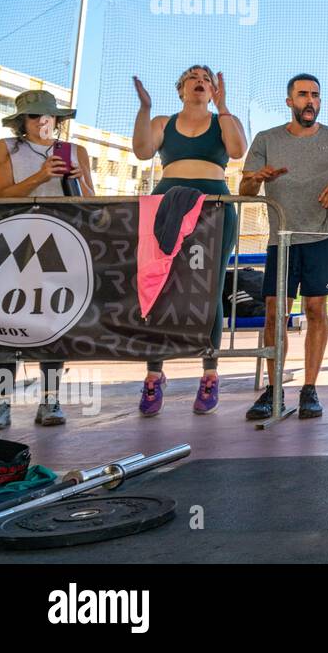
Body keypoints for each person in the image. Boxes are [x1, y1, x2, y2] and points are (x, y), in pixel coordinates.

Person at [238, 73, 328, 420]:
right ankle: (274, 387)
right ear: (289, 101)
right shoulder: (266, 139)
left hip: (321, 236)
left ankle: (309, 389)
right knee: (274, 312)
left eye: (315, 95)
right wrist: (256, 178)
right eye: (303, 95)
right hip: (282, 239)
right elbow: (246, 190)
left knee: (315, 311)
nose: (310, 101)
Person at [132, 66, 247, 415]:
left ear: (213, 90)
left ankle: (210, 373)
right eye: (193, 77)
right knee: (159, 286)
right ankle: (154, 374)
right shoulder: (164, 122)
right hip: (167, 202)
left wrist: (224, 106)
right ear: (180, 88)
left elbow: (238, 150)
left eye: (207, 79)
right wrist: (145, 109)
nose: (200, 81)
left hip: (214, 205)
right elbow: (141, 152)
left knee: (210, 286)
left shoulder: (224, 119)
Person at [0, 90, 95, 429]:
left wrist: (76, 181)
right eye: (35, 116)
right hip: (13, 244)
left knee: (54, 323)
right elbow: (0, 194)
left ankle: (50, 400)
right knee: (7, 323)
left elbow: (91, 203)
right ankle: (1, 401)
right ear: (21, 122)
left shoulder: (75, 151)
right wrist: (39, 177)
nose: (43, 121)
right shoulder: (5, 149)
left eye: (49, 116)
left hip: (60, 242)